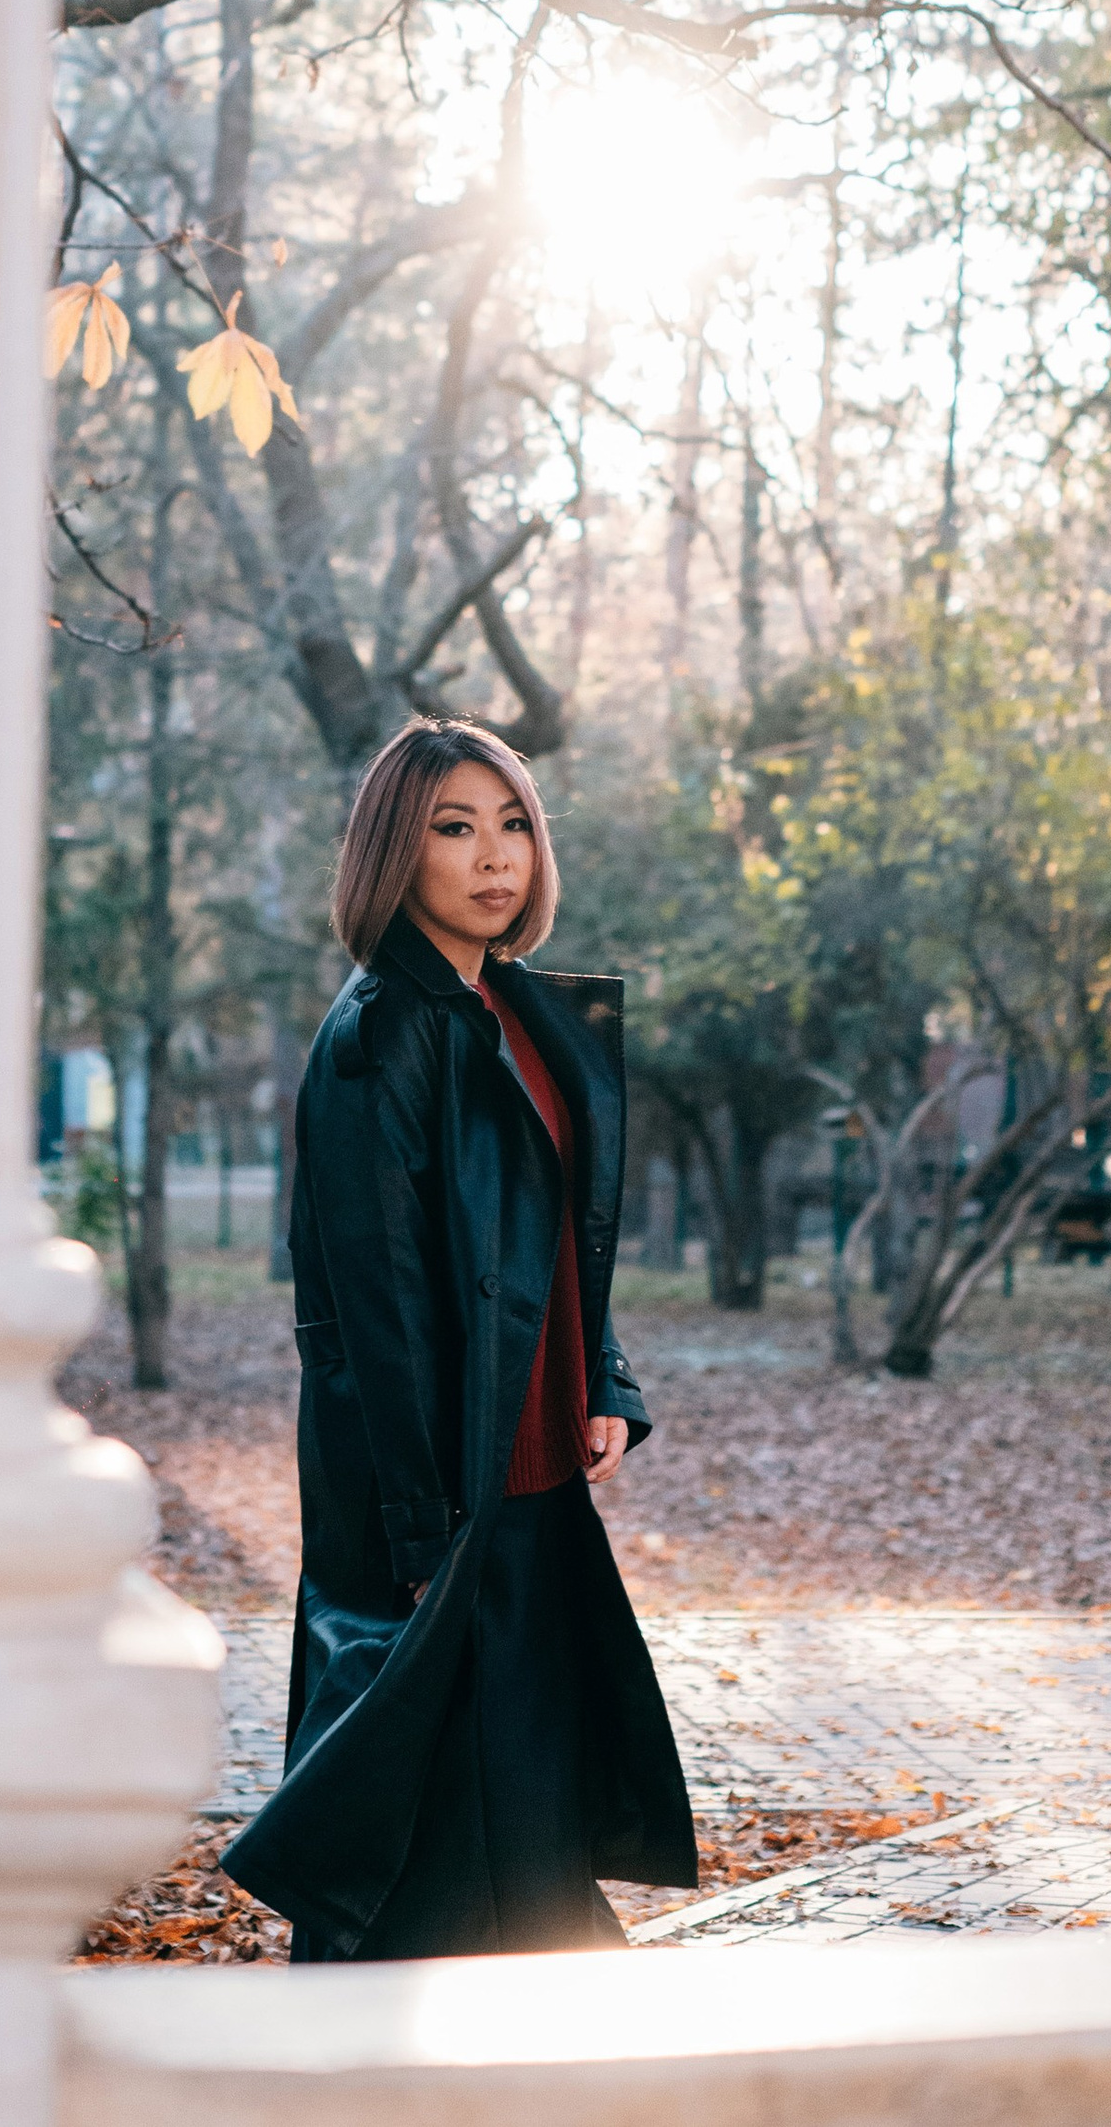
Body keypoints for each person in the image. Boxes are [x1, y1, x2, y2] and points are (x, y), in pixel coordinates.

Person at [223, 718, 695, 1960]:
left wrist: (602, 1373)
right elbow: (365, 1317)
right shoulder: (379, 1038)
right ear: (396, 847)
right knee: (424, 1850)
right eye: (453, 826)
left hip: (532, 1485)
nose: (496, 855)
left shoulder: (528, 1012)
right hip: (442, 1506)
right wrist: (425, 1532)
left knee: (522, 1816)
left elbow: (557, 1241)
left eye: (513, 822)